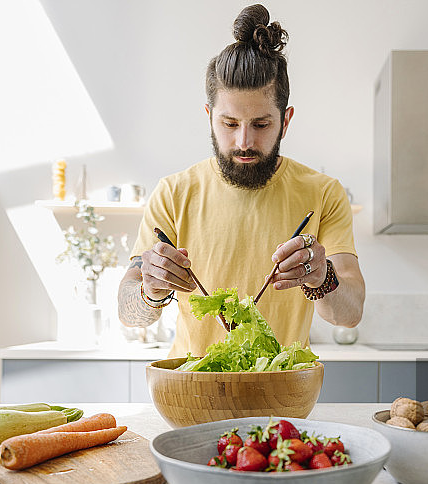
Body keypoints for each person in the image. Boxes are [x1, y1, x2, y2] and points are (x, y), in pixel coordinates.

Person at [118, 4, 365, 357]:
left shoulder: (323, 193)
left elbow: (351, 313)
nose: (244, 142)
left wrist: (321, 277)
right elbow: (129, 313)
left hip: (281, 394)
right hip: (195, 396)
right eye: (229, 124)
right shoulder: (173, 193)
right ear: (209, 118)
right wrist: (149, 290)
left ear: (286, 121)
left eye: (261, 125)